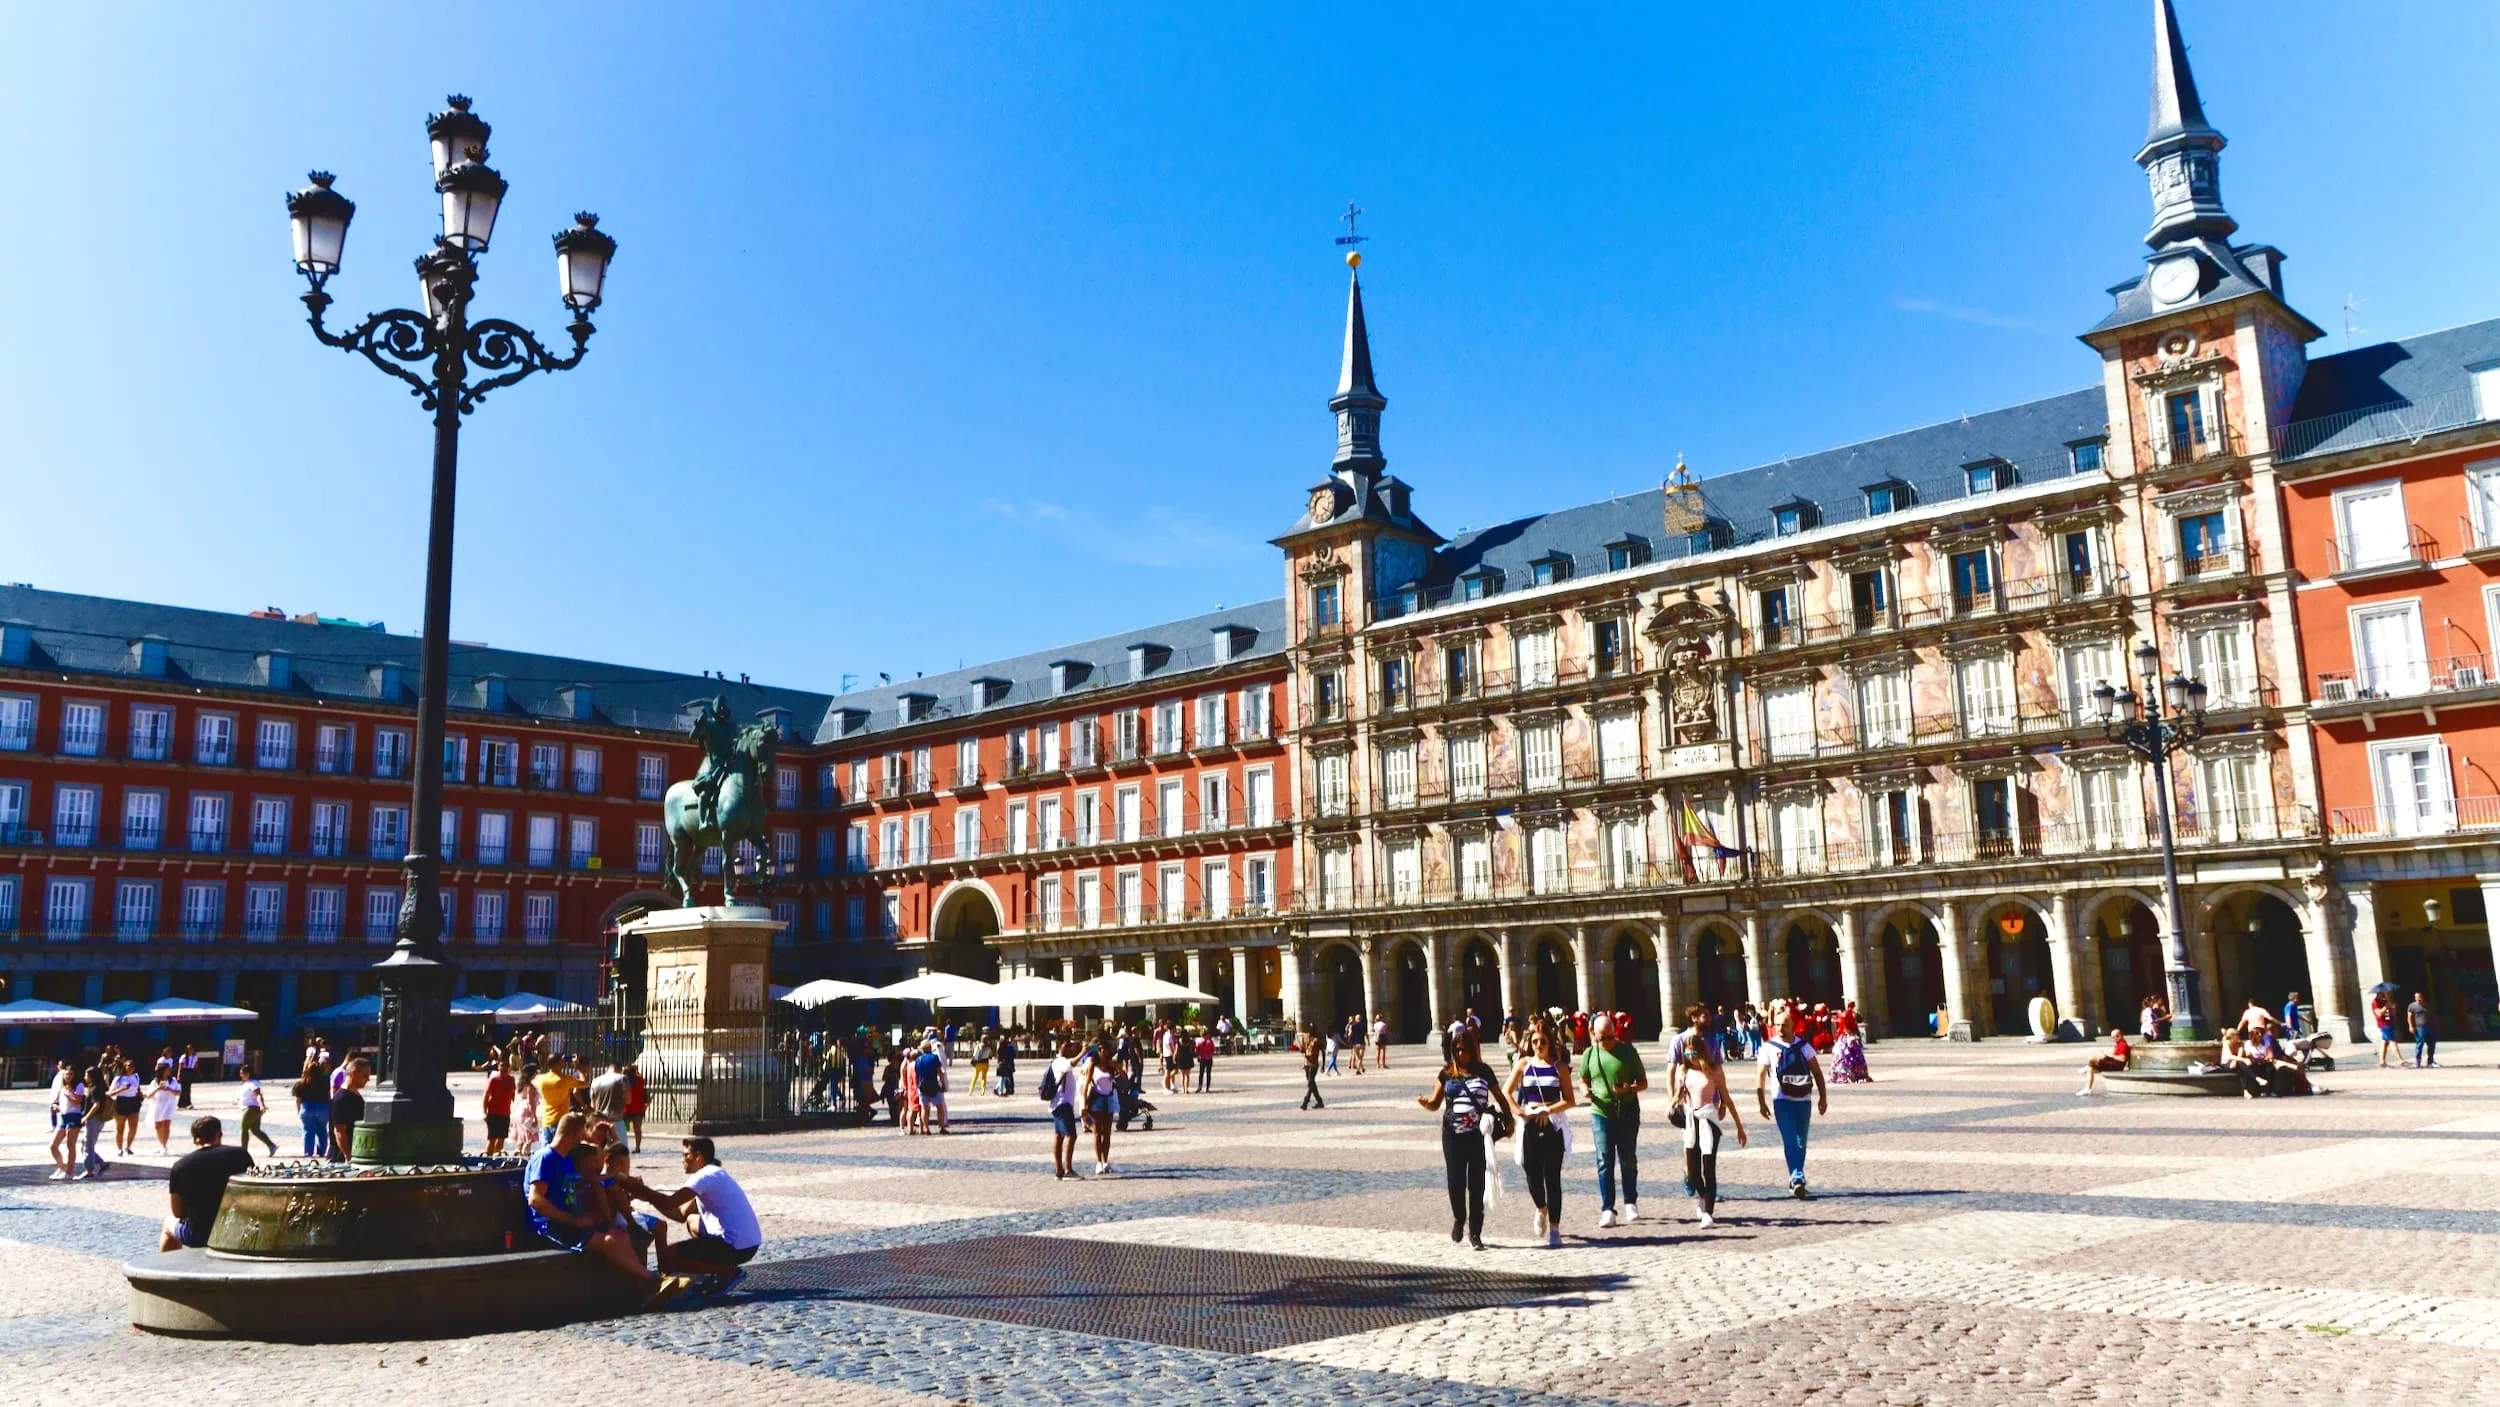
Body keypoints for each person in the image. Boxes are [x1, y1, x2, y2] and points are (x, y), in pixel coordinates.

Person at [528, 1113, 680, 1306]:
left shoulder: (564, 1159)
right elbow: (535, 1200)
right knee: (609, 1241)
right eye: (581, 1133)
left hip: (574, 1220)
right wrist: (573, 1220)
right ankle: (653, 1280)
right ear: (574, 1134)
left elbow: (575, 1185)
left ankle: (641, 1287)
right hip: (552, 1227)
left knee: (620, 1236)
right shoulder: (546, 1158)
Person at [1418, 1026, 1510, 1251]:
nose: (1461, 1054)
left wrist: (1510, 1120)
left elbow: (1500, 1098)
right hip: (1452, 1136)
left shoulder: (1484, 1071)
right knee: (1455, 1182)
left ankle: (1475, 1233)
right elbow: (1435, 1103)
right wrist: (1425, 1103)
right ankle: (1459, 1218)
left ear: (1473, 1049)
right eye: (1457, 1050)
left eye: (1465, 1049)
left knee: (1477, 1184)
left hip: (1477, 1137)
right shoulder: (1447, 1073)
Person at [639, 1137, 763, 1284]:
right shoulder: (715, 1172)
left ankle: (728, 1272)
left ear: (698, 1157)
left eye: (686, 1155)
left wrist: (640, 1189)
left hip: (735, 1246)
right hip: (750, 1243)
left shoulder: (703, 1177)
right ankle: (715, 1267)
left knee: (668, 1258)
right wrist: (648, 1198)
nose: (682, 1160)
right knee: (692, 1221)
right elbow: (680, 1214)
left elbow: (669, 1203)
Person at [1505, 1021, 1574, 1248]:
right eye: (1534, 1042)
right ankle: (1541, 1208)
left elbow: (1569, 1099)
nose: (1538, 1046)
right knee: (1532, 1174)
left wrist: (1549, 1110)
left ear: (1550, 1042)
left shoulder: (1559, 1067)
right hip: (1530, 1122)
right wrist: (1518, 1111)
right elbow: (1507, 1090)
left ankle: (1555, 1228)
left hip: (1552, 1123)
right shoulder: (1524, 1064)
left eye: (1542, 1042)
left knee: (1552, 1177)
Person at [1579, 1012, 1648, 1228]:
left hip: (1626, 1110)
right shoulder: (1589, 1054)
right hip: (1601, 1113)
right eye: (1602, 1038)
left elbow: (1643, 1083)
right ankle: (1608, 1208)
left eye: (1610, 1036)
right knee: (1604, 1160)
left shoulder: (1628, 1052)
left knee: (1627, 1158)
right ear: (1594, 1035)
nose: (1607, 1042)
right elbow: (1583, 1079)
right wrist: (1585, 1091)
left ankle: (1630, 1202)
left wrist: (1629, 1088)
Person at [1674, 1027, 1746, 1228]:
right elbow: (1680, 1095)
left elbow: (1727, 1098)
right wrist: (1673, 1102)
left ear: (1701, 1051)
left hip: (1709, 1121)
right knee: (1693, 1173)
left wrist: (1739, 1127)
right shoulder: (1685, 1071)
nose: (1690, 1056)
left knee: (1708, 1168)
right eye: (1687, 1053)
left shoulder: (1714, 1071)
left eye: (1693, 1052)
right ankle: (1704, 1196)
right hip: (1691, 1122)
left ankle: (1708, 1213)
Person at [1755, 1005, 1827, 1199]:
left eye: (1784, 1024)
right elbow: (1761, 1075)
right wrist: (1761, 1101)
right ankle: (1797, 1177)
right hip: (1782, 1101)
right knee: (1789, 1140)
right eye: (1777, 1024)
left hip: (1804, 1100)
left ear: (1792, 1026)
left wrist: (1823, 1097)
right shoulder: (1767, 1048)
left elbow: (1817, 1073)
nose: (1780, 1028)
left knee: (1801, 1142)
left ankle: (1796, 1176)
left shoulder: (1804, 1046)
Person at [159, 1116, 255, 1250]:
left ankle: (170, 1266)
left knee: (168, 1224)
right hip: (236, 1228)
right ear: (220, 1134)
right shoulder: (241, 1155)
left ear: (194, 1139)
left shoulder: (180, 1166)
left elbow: (178, 1213)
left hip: (199, 1234)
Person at [1042, 1037, 1081, 1179]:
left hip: (1059, 1104)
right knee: (1071, 1136)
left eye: (1070, 1046)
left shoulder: (1059, 1062)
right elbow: (1073, 1063)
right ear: (1059, 1047)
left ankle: (1059, 1170)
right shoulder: (1060, 1062)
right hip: (1062, 1104)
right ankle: (1068, 1170)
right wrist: (1083, 1051)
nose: (1069, 1048)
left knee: (1059, 1136)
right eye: (1066, 1045)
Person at [1081, 1039, 1121, 1176]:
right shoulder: (1093, 1064)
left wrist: (1117, 1067)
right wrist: (1084, 1103)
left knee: (1108, 1132)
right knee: (1097, 1131)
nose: (1103, 1052)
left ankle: (1106, 1161)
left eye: (1105, 1049)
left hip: (1109, 1099)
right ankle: (1098, 1162)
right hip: (1097, 1099)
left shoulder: (1111, 1064)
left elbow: (1124, 1077)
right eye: (1101, 1049)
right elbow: (1086, 1084)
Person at [327, 1057, 370, 1162]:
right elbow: (339, 1130)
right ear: (354, 1073)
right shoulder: (341, 1099)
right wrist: (348, 1156)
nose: (368, 1079)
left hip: (356, 1152)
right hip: (340, 1158)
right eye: (365, 1075)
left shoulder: (356, 1096)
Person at [46, 1061, 83, 1180]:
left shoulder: (78, 1086)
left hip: (74, 1117)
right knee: (53, 1145)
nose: (68, 1076)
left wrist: (68, 1095)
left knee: (70, 1145)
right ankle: (61, 1167)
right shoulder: (62, 1086)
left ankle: (69, 1171)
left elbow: (78, 1101)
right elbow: (61, 1102)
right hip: (63, 1116)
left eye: (71, 1074)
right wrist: (56, 1107)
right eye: (67, 1074)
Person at [77, 1061, 113, 1179]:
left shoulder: (95, 1089)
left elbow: (96, 1105)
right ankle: (101, 1163)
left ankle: (89, 1170)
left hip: (94, 1119)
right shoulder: (97, 1088)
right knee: (85, 1144)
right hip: (97, 1120)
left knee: (88, 1146)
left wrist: (86, 1117)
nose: (84, 1077)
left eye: (87, 1075)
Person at [293, 1055, 332, 1159]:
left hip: (307, 1108)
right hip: (323, 1107)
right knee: (322, 1130)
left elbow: (298, 1099)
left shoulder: (300, 1083)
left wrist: (299, 1110)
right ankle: (322, 1151)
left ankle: (308, 1152)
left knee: (308, 1131)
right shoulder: (326, 1080)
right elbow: (329, 1095)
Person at [235, 1064, 278, 1158]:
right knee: (255, 1130)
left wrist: (262, 1105)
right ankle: (271, 1146)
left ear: (248, 1073)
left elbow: (258, 1095)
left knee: (244, 1130)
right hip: (248, 1108)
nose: (241, 1075)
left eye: (243, 1074)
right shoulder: (246, 1084)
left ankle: (243, 1152)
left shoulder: (254, 1083)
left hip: (251, 1109)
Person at [2079, 1028, 2131, 1095]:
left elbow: (2122, 1058)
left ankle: (2088, 1066)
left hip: (2116, 1066)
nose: (2112, 1039)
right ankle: (2088, 1089)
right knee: (2090, 1069)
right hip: (2113, 1064)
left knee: (2092, 1059)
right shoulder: (2119, 1044)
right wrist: (2107, 1056)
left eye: (2113, 1037)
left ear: (2119, 1036)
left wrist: (2110, 1056)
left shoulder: (2123, 1045)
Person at [482, 1058, 517, 1156]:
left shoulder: (511, 1079)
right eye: (502, 1065)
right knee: (492, 1138)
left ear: (509, 1067)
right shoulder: (494, 1079)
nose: (504, 1067)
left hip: (505, 1113)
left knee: (501, 1138)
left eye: (506, 1065)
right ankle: (488, 1159)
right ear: (498, 1067)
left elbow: (513, 1095)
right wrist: (484, 1112)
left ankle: (496, 1159)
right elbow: (486, 1095)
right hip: (493, 1112)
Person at [914, 1039, 949, 1134]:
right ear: (929, 1047)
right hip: (934, 1085)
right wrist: (943, 1085)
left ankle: (926, 1128)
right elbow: (940, 1072)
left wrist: (917, 1086)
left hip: (922, 1087)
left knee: (924, 1109)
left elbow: (916, 1075)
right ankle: (942, 1127)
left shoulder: (918, 1060)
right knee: (939, 1107)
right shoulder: (934, 1058)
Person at [147, 1062, 182, 1156]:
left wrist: (169, 1089)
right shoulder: (154, 1082)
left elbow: (178, 1093)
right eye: (167, 1069)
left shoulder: (173, 1081)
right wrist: (158, 1088)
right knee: (158, 1125)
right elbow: (148, 1095)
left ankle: (164, 1145)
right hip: (157, 1104)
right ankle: (160, 1144)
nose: (169, 1071)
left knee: (166, 1124)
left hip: (169, 1104)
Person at [110, 1058, 143, 1157]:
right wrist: (122, 1089)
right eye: (128, 1066)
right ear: (124, 1067)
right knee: (120, 1128)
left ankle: (128, 1147)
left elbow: (137, 1088)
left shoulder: (136, 1077)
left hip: (133, 1101)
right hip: (121, 1101)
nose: (130, 1068)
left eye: (132, 1066)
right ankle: (119, 1149)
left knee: (133, 1127)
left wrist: (140, 1094)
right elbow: (110, 1093)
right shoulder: (119, 1078)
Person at [2408, 991, 2438, 1068]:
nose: (2418, 999)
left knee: (2431, 1044)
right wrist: (2411, 1026)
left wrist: (2436, 1025)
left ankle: (2430, 1061)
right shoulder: (2412, 1006)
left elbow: (2432, 1016)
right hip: (2419, 1028)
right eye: (2416, 997)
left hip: (2430, 1027)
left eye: (2419, 997)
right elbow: (2409, 1017)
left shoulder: (2428, 1006)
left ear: (2422, 997)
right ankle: (2418, 1062)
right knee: (2419, 1044)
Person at [623, 1063, 648, 1152]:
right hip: (638, 1109)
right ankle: (637, 1147)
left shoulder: (624, 1082)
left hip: (626, 1109)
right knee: (637, 1130)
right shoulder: (640, 1080)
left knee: (624, 1129)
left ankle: (623, 1146)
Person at [2371, 990, 2400, 1068]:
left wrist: (2393, 1008)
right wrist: (2386, 1007)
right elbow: (2379, 1013)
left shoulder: (2385, 1001)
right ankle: (2401, 1060)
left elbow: (2392, 1014)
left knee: (2385, 1043)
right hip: (2384, 1024)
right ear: (2378, 993)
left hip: (2390, 1023)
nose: (2384, 994)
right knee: (2392, 1041)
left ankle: (2382, 1062)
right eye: (2382, 993)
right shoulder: (2375, 1002)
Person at [1300, 1026, 1326, 1110]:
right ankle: (1319, 1101)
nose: (1310, 1031)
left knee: (1310, 1082)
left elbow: (1323, 1052)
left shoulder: (1317, 1040)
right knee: (1311, 1083)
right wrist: (1302, 1050)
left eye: (1312, 1029)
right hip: (1306, 1063)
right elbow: (1303, 1049)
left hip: (1314, 1064)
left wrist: (1323, 1065)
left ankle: (1305, 1101)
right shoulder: (1305, 1038)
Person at [994, 1031, 1018, 1097]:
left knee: (1005, 1077)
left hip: (1003, 1064)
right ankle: (1008, 1089)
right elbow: (1013, 1055)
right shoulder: (1009, 1046)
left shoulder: (1001, 1046)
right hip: (1009, 1064)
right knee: (1007, 1077)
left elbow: (998, 1055)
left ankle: (1002, 1089)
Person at [971, 1031, 994, 1095]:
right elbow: (991, 1055)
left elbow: (974, 1054)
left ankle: (971, 1090)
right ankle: (982, 1091)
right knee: (983, 1078)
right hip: (985, 1063)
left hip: (978, 1063)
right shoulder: (988, 1048)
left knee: (975, 1077)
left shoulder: (978, 1046)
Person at [1193, 1028, 1215, 1093]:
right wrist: (1210, 1054)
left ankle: (1200, 1086)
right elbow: (1213, 1049)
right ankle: (1207, 1088)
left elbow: (1196, 1050)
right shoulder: (1210, 1041)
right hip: (1209, 1058)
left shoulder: (1198, 1041)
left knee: (1201, 1073)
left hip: (1202, 1058)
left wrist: (1198, 1055)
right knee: (1208, 1073)